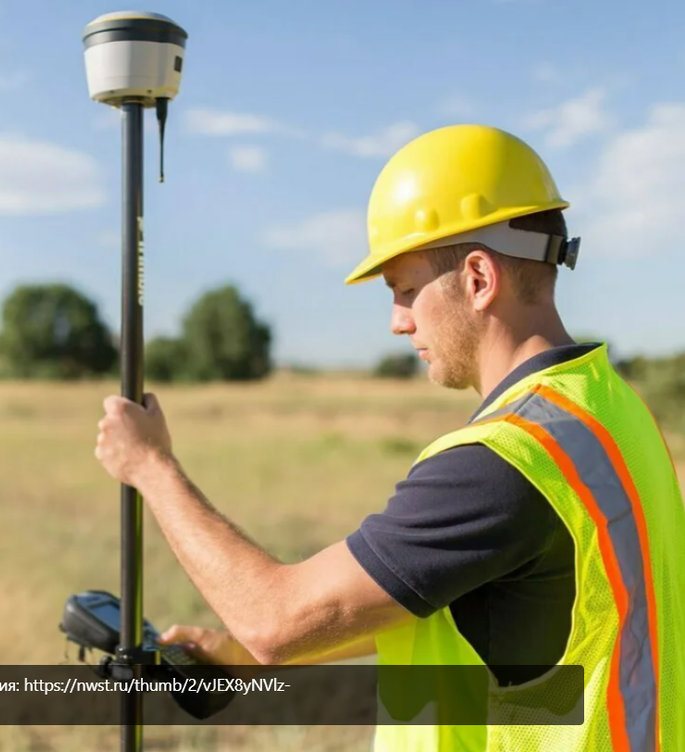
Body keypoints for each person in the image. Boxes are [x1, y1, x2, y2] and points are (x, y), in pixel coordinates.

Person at [94, 123, 684, 751]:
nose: (398, 322)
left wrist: (150, 464)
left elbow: (274, 619)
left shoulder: (505, 460)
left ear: (479, 279)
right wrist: (240, 655)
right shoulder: (609, 411)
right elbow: (478, 603)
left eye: (405, 291)